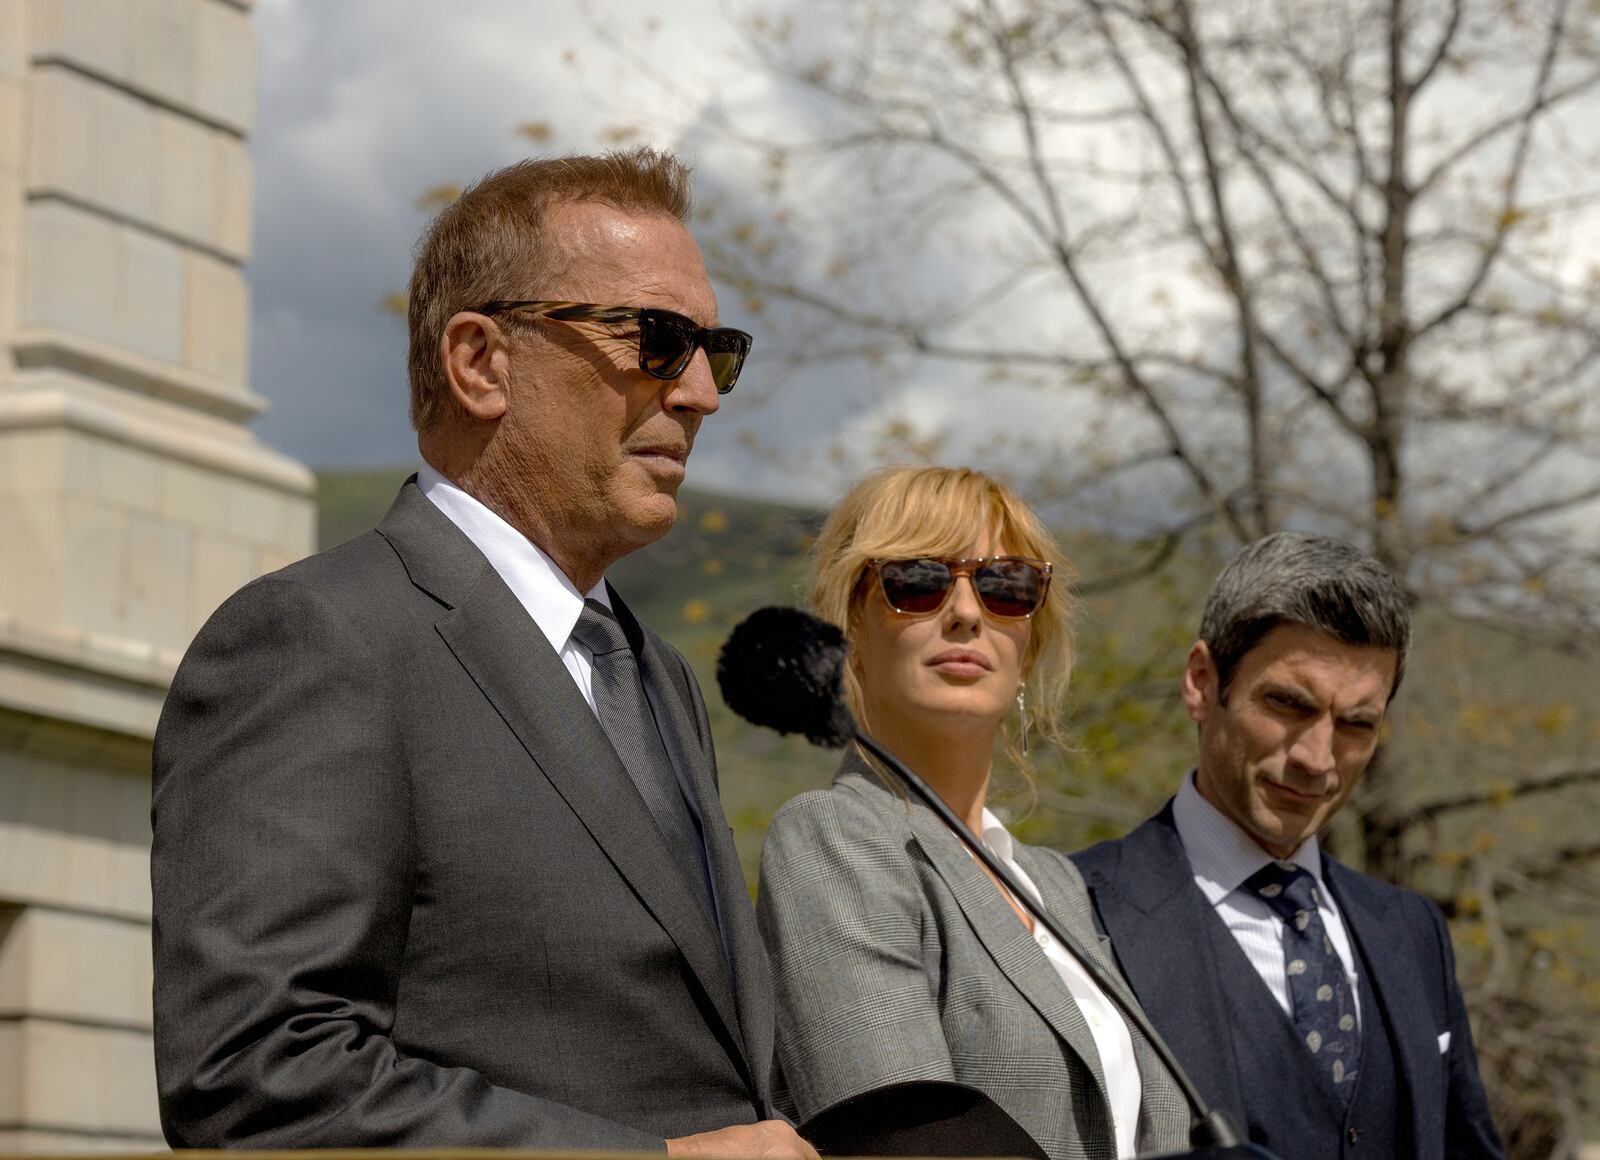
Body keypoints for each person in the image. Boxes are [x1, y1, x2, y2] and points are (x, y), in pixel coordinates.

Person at [151, 149, 814, 1158]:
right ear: (480, 362)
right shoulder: (320, 638)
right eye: (657, 339)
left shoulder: (657, 676)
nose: (700, 393)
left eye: (715, 350)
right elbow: (256, 1072)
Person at [756, 465, 1192, 1160]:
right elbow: (907, 1143)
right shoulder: (837, 840)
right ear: (850, 630)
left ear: (1030, 646)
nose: (965, 612)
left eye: (1006, 588)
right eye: (917, 581)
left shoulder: (1058, 887)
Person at [1072, 532, 1505, 1160]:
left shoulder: (1412, 934)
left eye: (1357, 724)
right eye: (1287, 704)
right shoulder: (1075, 914)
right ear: (1201, 682)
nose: (1316, 759)